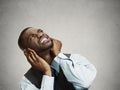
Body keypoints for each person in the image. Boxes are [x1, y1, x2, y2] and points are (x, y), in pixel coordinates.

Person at [18, 27, 97, 90]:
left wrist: (58, 55)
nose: (40, 35)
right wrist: (47, 72)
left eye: (40, 31)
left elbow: (84, 83)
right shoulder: (27, 81)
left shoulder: (76, 59)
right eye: (32, 37)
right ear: (27, 52)